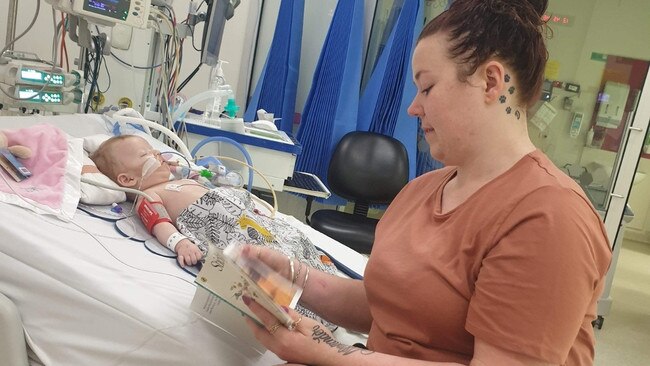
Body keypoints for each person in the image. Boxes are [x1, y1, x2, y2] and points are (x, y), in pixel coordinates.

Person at [240, 0, 612, 365]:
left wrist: (330, 355)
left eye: (428, 87)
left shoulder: (549, 216)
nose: (413, 108)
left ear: (491, 81)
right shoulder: (420, 191)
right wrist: (290, 278)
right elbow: (387, 307)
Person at [90, 134, 334, 276]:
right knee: (264, 264)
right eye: (146, 156)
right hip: (222, 228)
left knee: (291, 239)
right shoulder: (149, 195)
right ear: (127, 180)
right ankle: (306, 298)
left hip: (246, 218)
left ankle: (318, 277)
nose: (158, 156)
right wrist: (180, 243)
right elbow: (158, 221)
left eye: (156, 151)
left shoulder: (180, 179)